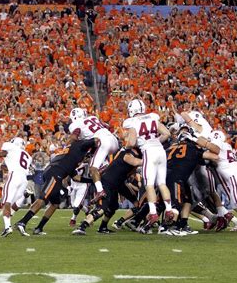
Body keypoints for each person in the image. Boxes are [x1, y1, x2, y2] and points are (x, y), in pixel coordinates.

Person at [16, 138, 97, 236]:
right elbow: (95, 140)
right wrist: (93, 151)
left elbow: (76, 177)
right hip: (55, 172)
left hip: (54, 171)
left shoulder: (72, 157)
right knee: (43, 199)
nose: (87, 160)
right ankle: (23, 222)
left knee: (55, 204)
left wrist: (92, 181)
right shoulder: (80, 146)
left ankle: (39, 228)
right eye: (88, 157)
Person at [123, 99, 173, 227]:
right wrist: (156, 141)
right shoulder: (153, 117)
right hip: (160, 150)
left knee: (149, 185)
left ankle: (152, 213)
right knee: (162, 183)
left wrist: (126, 148)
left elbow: (132, 142)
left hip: (148, 152)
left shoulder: (132, 122)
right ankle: (168, 209)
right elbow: (167, 133)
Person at [72, 147, 143, 235]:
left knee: (122, 206)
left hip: (119, 184)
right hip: (107, 183)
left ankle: (104, 227)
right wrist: (151, 160)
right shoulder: (127, 155)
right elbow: (135, 161)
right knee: (101, 209)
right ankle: (82, 226)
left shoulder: (133, 157)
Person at [68, 108, 119, 202]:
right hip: (113, 140)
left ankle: (100, 191)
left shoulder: (75, 124)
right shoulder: (93, 117)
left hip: (103, 142)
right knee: (93, 152)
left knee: (93, 169)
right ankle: (104, 166)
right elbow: (107, 126)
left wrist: (71, 143)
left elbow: (74, 136)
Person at [0, 137, 32, 237]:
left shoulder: (12, 148)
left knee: (6, 202)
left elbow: (3, 153)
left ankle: (7, 227)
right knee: (14, 203)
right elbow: (8, 166)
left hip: (14, 176)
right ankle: (23, 196)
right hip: (23, 180)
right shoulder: (27, 156)